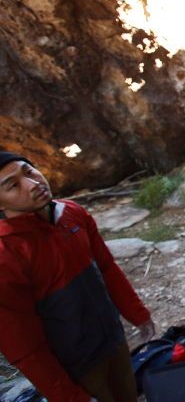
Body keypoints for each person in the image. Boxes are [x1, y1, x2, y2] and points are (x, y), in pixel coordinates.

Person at [0, 152, 155, 402]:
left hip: (113, 340)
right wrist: (67, 397)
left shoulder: (72, 213)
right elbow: (22, 345)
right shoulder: (7, 255)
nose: (33, 184)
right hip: (77, 366)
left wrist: (138, 314)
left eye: (28, 171)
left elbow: (106, 267)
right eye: (13, 185)